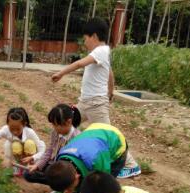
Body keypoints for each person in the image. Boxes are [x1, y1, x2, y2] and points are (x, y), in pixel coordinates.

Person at [51, 17, 141, 179]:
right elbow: (110, 73)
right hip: (85, 102)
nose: (84, 42)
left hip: (96, 104)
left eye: (85, 39)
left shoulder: (101, 50)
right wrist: (111, 91)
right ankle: (66, 155)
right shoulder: (101, 53)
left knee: (109, 135)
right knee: (68, 124)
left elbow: (79, 64)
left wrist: (61, 73)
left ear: (93, 36)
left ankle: (131, 165)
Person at [45, 123, 128, 193]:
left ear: (77, 176)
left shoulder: (97, 160)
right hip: (93, 134)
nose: (68, 191)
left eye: (70, 187)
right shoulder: (62, 161)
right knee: (72, 189)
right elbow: (64, 191)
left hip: (116, 142)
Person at [24, 104, 81, 193]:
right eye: (53, 125)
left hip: (69, 170)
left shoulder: (77, 137)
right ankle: (56, 183)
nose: (54, 128)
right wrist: (37, 165)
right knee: (28, 174)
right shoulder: (55, 133)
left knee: (56, 172)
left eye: (56, 125)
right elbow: (49, 151)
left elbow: (75, 165)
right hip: (56, 165)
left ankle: (59, 192)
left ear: (68, 122)